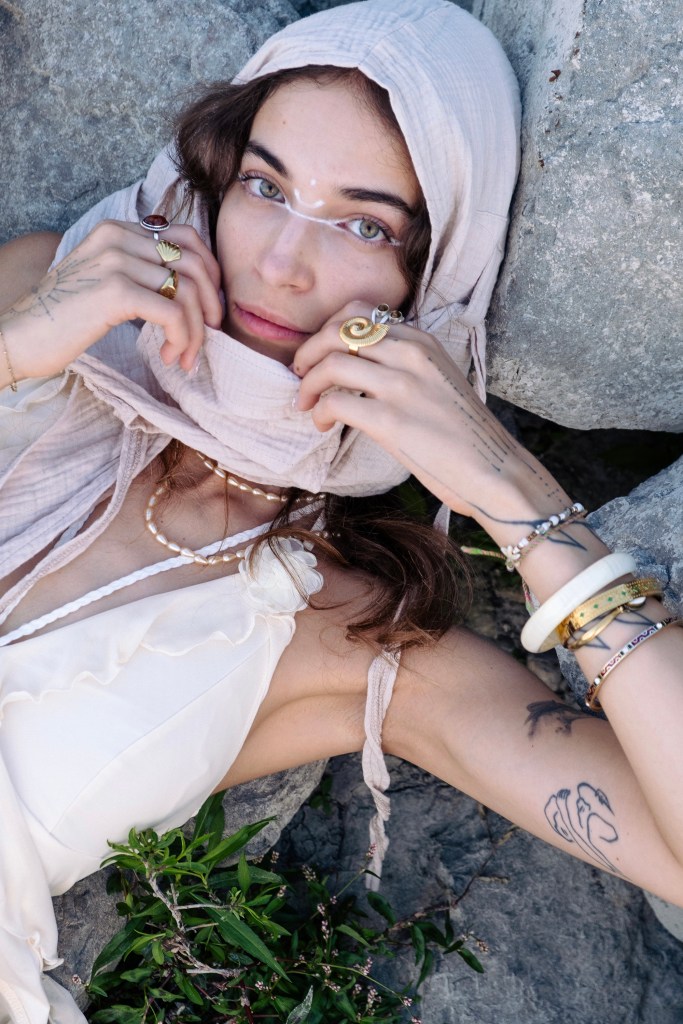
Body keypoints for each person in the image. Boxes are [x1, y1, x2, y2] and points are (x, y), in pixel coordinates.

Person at [1, 0, 682, 1020]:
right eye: (263, 186)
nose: (281, 262)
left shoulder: (345, 633)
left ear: (429, 283)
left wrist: (511, 491)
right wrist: (18, 346)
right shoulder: (42, 294)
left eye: (365, 225)